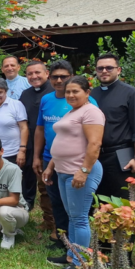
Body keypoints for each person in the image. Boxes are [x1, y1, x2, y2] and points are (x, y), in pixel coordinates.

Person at [43, 76, 105, 269]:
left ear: (87, 92)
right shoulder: (73, 111)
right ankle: (72, 255)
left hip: (79, 172)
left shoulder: (92, 112)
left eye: (75, 91)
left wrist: (84, 171)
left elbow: (94, 145)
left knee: (79, 218)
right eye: (68, 91)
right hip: (63, 170)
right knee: (72, 216)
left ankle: (81, 264)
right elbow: (64, 139)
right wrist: (51, 165)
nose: (70, 95)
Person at [35, 60, 91, 249]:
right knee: (56, 201)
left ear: (71, 77)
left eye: (63, 77)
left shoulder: (86, 103)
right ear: (49, 78)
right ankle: (62, 239)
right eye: (55, 77)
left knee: (76, 208)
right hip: (50, 160)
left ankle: (78, 248)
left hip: (76, 163)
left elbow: (95, 140)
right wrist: (37, 157)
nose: (59, 80)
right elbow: (40, 129)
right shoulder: (47, 99)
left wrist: (84, 167)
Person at [89, 53, 135, 200]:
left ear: (119, 70)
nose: (104, 71)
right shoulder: (92, 94)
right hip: (96, 155)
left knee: (123, 203)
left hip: (121, 155)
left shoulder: (132, 93)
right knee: (99, 202)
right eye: (100, 68)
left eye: (109, 67)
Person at [18, 60, 53, 223]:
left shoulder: (55, 92)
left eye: (37, 72)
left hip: (51, 146)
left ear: (46, 73)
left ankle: (54, 220)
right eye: (30, 74)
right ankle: (47, 219)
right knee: (38, 182)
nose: (34, 76)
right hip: (31, 144)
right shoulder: (25, 94)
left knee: (49, 183)